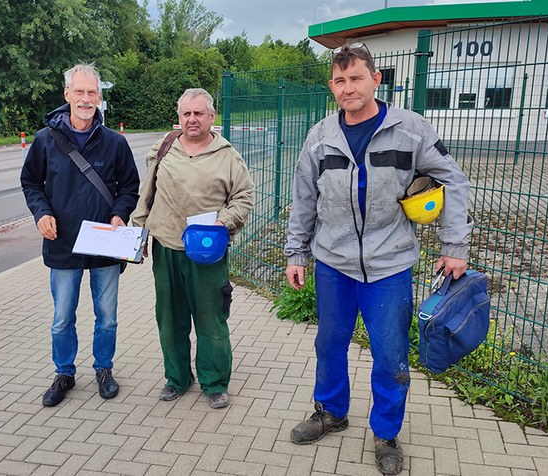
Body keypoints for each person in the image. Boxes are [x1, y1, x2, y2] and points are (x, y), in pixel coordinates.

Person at [284, 43, 473, 475]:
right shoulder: (321, 136)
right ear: (331, 86)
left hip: (389, 266)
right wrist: (296, 252)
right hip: (332, 263)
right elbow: (303, 199)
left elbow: (454, 181)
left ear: (375, 80)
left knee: (390, 354)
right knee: (329, 343)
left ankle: (386, 434)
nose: (348, 88)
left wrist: (454, 245)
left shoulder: (411, 129)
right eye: (339, 80)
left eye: (356, 78)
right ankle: (331, 412)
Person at [21, 63, 140, 407]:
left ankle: (104, 369)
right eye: (80, 92)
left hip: (105, 242)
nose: (86, 99)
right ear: (67, 95)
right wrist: (41, 212)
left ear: (99, 98)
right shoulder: (46, 141)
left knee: (107, 316)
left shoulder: (115, 143)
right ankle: (64, 372)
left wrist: (120, 214)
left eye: (92, 93)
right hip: (63, 243)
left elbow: (130, 186)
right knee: (62, 318)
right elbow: (30, 182)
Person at [131, 88, 254, 409]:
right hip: (167, 248)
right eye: (186, 113)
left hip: (208, 253)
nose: (192, 119)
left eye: (199, 113)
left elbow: (244, 198)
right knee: (170, 318)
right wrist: (139, 234)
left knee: (210, 318)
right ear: (179, 117)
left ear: (212, 117)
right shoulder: (163, 149)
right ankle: (177, 378)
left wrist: (223, 222)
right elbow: (147, 194)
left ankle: (214, 382)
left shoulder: (228, 156)